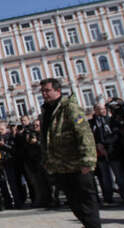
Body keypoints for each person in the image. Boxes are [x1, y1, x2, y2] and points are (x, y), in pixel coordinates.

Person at [39, 78, 100, 228]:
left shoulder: (69, 107)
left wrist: (88, 160)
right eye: (42, 91)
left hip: (78, 165)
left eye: (47, 90)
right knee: (74, 204)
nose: (44, 94)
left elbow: (84, 133)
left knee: (87, 204)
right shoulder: (46, 111)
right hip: (61, 166)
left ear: (58, 90)